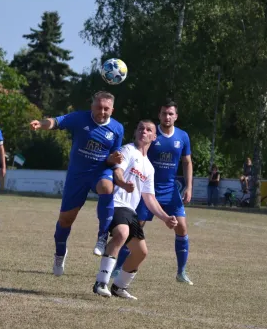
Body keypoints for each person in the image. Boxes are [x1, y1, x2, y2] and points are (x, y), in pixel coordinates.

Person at [29, 91, 124, 276]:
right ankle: (60, 253)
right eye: (99, 107)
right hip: (77, 176)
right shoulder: (79, 118)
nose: (102, 111)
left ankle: (102, 235)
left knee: (107, 186)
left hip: (100, 172)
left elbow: (114, 159)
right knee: (65, 220)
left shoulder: (117, 129)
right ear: (92, 106)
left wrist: (114, 158)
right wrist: (41, 124)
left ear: (112, 109)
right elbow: (56, 122)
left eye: (106, 108)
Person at [93, 120, 178, 299]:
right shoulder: (127, 150)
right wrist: (123, 183)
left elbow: (149, 198)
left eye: (148, 130)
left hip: (130, 210)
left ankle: (120, 287)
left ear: (154, 137)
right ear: (136, 132)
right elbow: (117, 171)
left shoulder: (149, 167)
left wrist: (166, 218)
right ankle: (101, 282)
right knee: (121, 234)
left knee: (141, 252)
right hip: (115, 203)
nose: (144, 132)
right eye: (140, 128)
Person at [113, 99, 194, 285]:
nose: (167, 117)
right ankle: (117, 267)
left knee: (182, 227)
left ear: (176, 116)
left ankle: (181, 272)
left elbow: (187, 162)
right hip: (147, 190)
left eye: (171, 114)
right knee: (135, 229)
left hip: (170, 190)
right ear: (159, 115)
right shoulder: (151, 134)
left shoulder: (182, 137)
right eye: (164, 113)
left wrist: (189, 186)